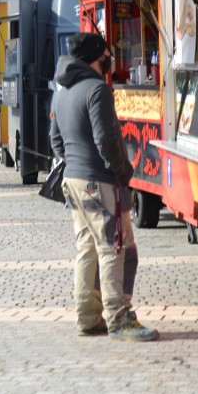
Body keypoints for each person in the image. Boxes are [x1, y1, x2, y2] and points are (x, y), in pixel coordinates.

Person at [50, 32, 158, 342]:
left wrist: (75, 160)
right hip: (100, 182)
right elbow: (106, 140)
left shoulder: (62, 91)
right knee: (115, 248)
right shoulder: (97, 90)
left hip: (74, 180)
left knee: (87, 248)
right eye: (107, 52)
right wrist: (124, 171)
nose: (111, 56)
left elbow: (55, 140)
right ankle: (118, 318)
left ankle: (87, 317)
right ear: (98, 57)